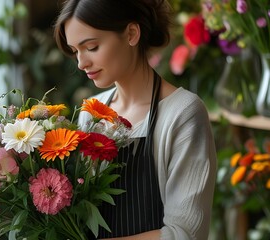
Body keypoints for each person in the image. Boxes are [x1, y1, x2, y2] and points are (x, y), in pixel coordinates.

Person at [53, 0, 217, 239]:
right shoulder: (91, 112)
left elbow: (185, 233)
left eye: (92, 47)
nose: (81, 63)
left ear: (131, 33)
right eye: (76, 51)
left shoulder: (183, 113)